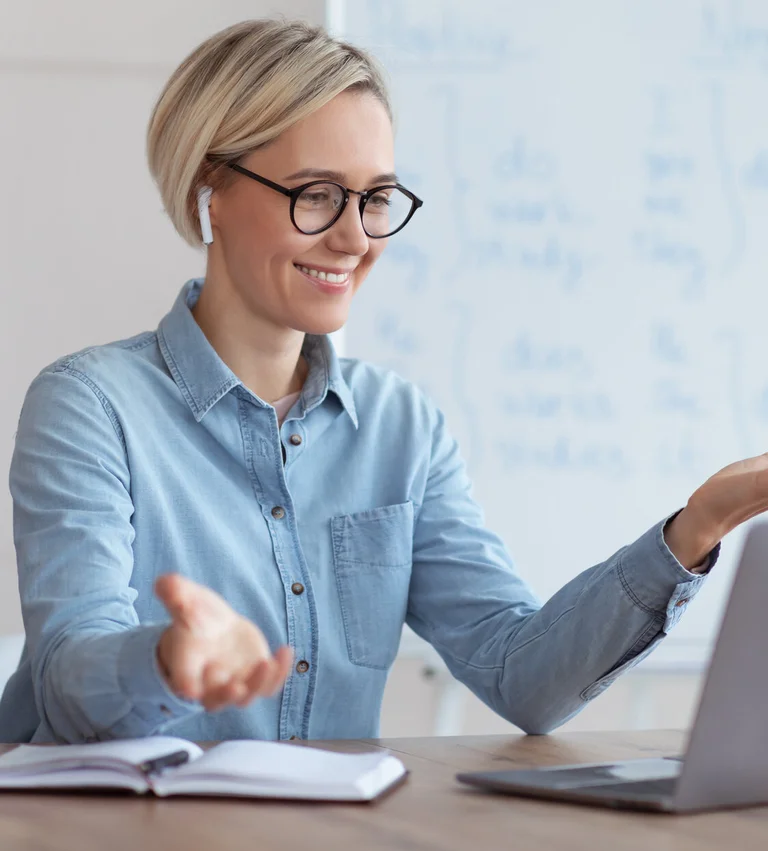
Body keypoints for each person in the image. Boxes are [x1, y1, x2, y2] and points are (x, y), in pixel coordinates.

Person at [0, 19, 764, 745]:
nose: (355, 237)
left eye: (375, 199)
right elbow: (68, 679)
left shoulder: (402, 427)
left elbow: (521, 674)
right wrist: (167, 660)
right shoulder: (90, 406)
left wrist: (696, 527)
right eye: (316, 195)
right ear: (212, 189)